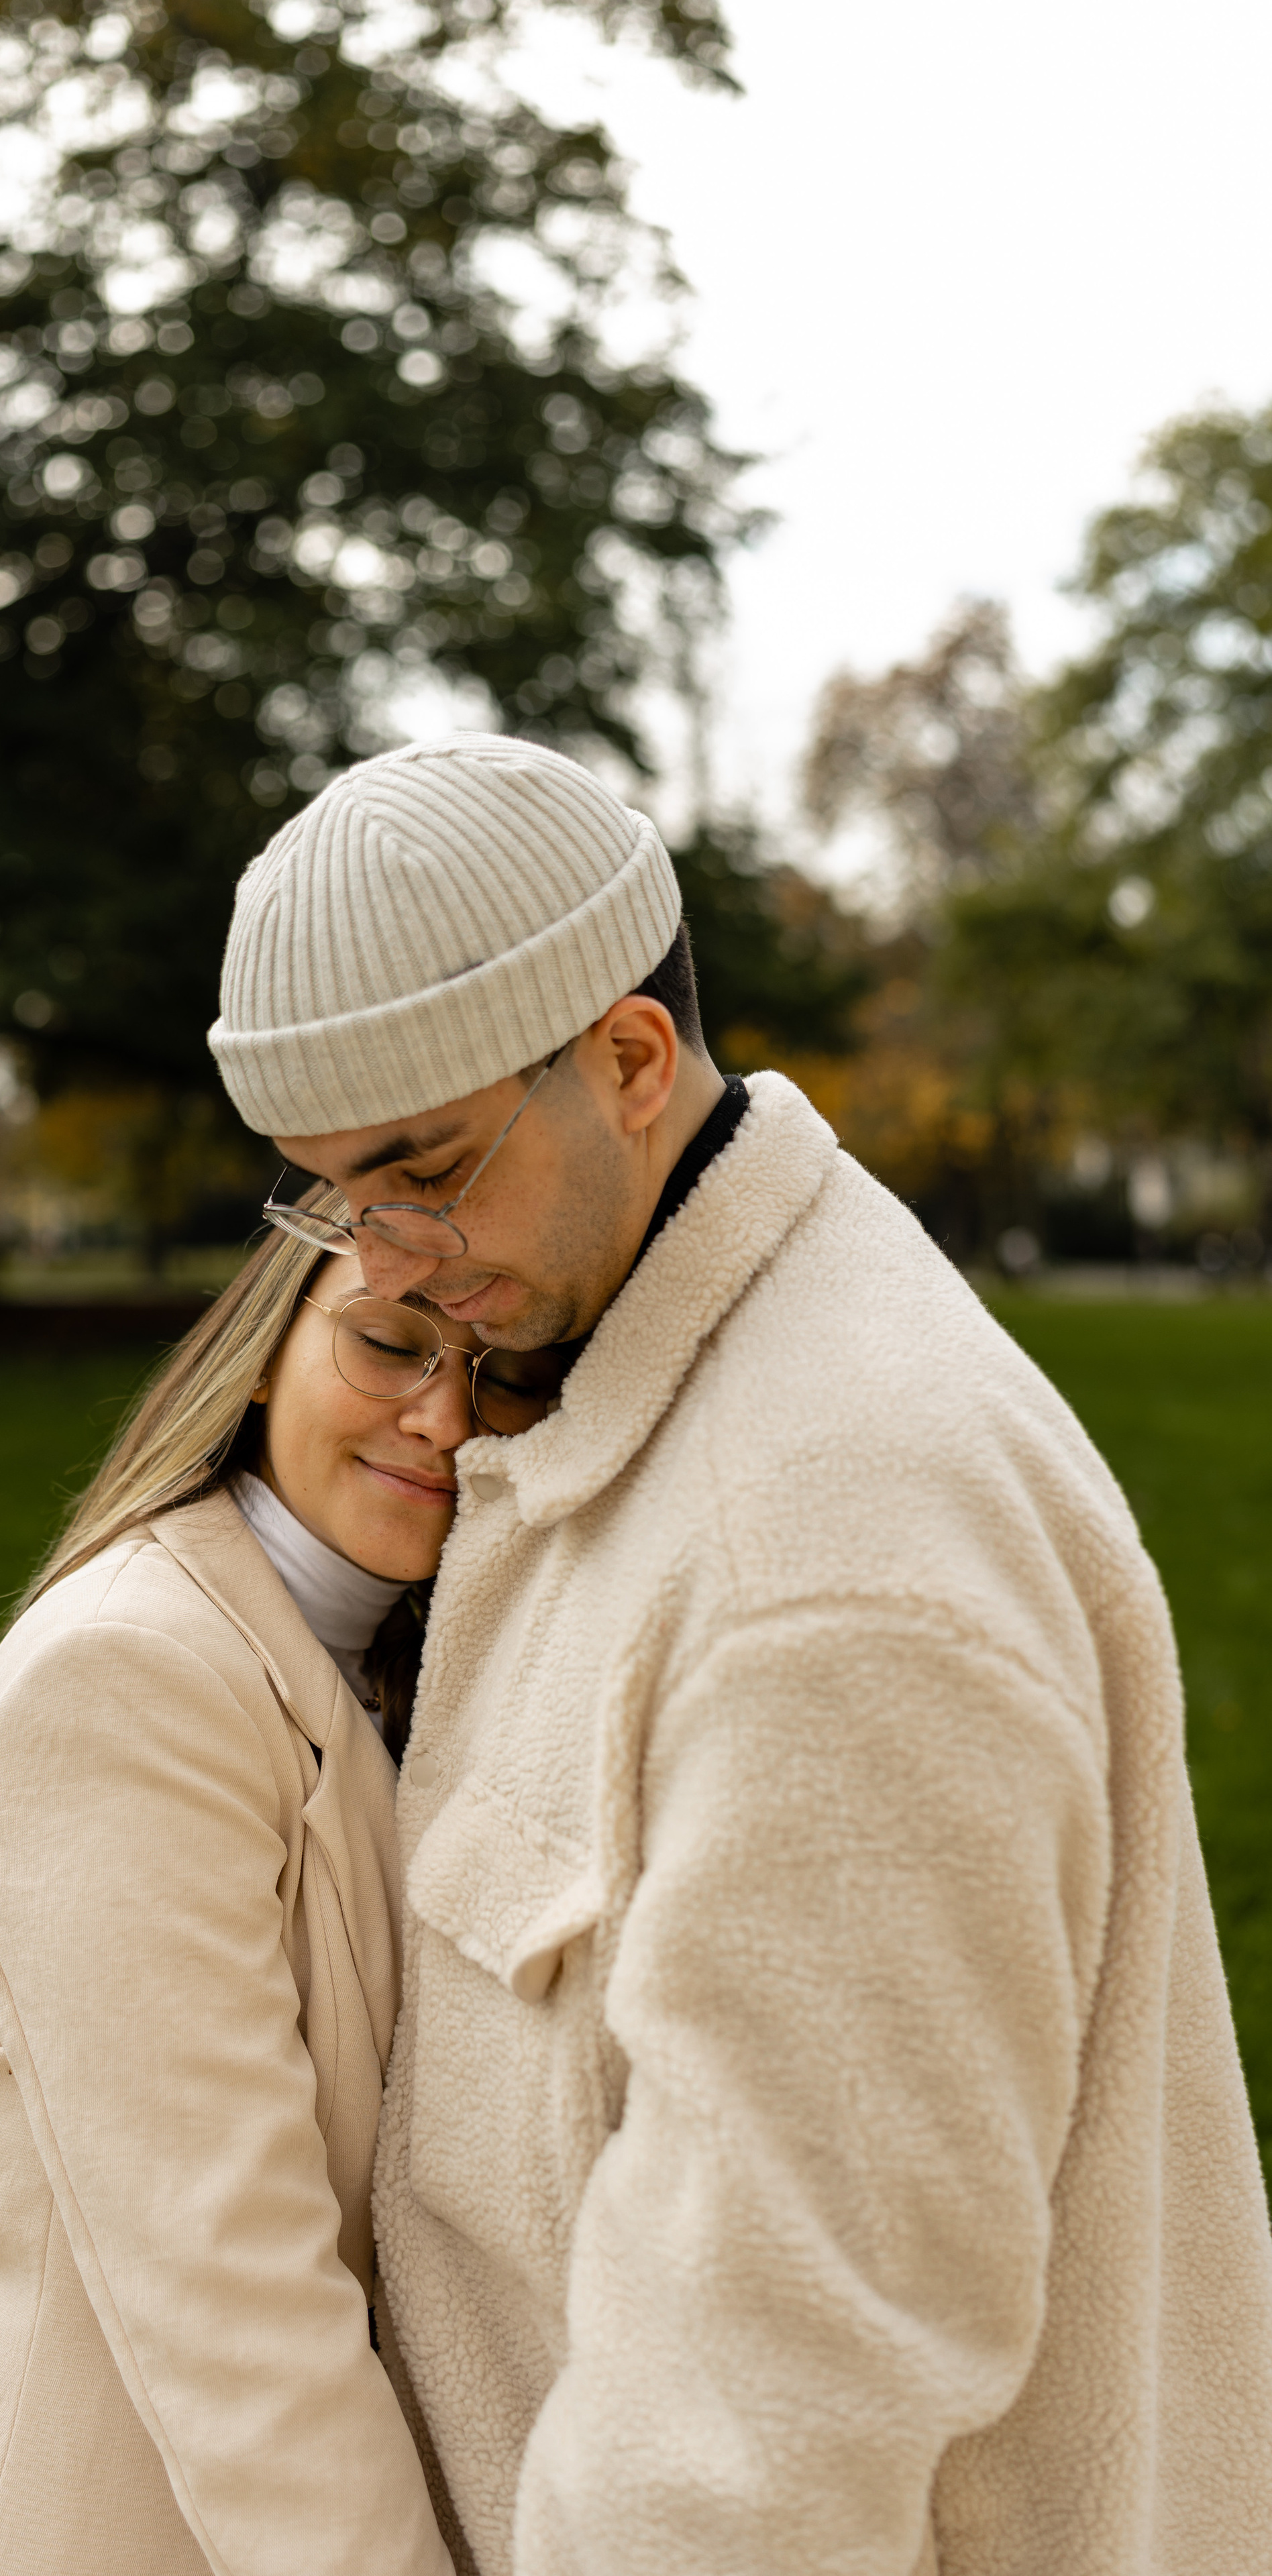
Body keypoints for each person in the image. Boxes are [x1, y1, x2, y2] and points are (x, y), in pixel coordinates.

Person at [209, 732, 1272, 2576]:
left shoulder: (830, 1555)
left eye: (422, 1170)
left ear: (626, 1060)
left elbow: (774, 2406)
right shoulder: (639, 1384)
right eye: (326, 1194)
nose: (379, 1268)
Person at [0, 1201, 561, 2576]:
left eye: (496, 1373)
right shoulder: (129, 1680)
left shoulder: (396, 1661)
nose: (442, 1421)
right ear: (269, 1347)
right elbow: (232, 2295)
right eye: (390, 1345)